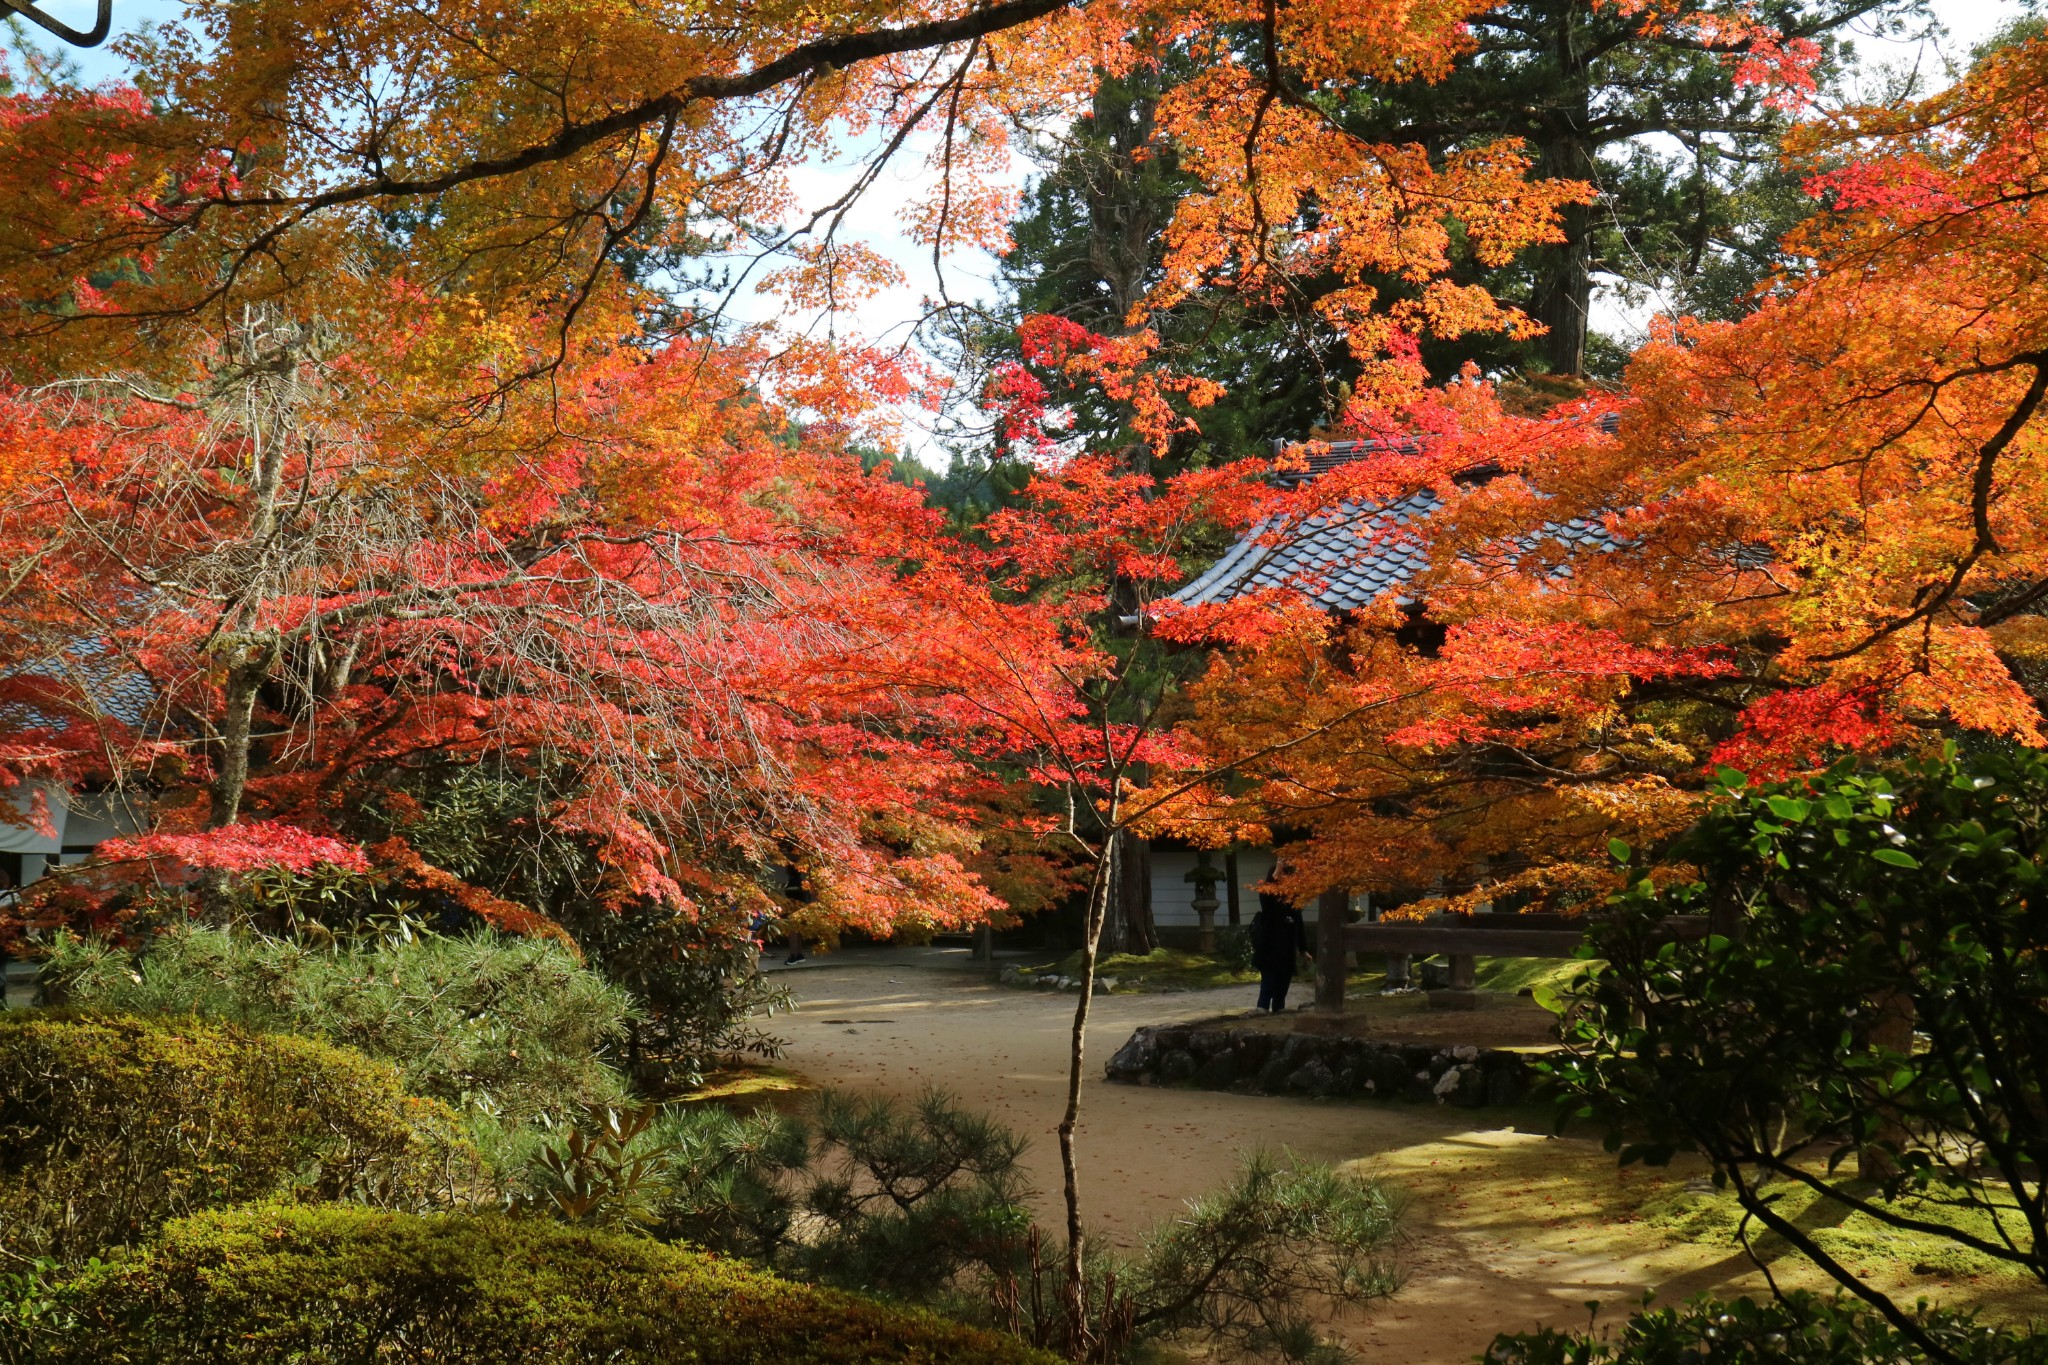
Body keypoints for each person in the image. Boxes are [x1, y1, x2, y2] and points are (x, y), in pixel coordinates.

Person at [1248, 888, 1312, 1013]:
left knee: (1281, 992)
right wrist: (1278, 870)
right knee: (1267, 989)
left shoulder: (1294, 906)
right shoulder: (1270, 903)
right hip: (1269, 953)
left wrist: (1303, 950)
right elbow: (1265, 897)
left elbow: (1299, 928)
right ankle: (1262, 1017)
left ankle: (1279, 1015)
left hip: (1287, 955)